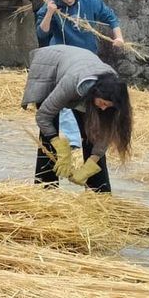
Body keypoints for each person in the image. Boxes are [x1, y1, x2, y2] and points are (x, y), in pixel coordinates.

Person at [21, 44, 133, 193]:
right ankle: (46, 189)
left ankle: (98, 191)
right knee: (48, 136)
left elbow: (104, 133)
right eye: (103, 103)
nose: (104, 108)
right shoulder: (72, 83)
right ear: (95, 93)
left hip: (80, 66)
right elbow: (43, 116)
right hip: (50, 67)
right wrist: (59, 146)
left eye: (109, 106)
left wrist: (91, 163)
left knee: (92, 134)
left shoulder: (112, 90)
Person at [36, 0, 123, 52]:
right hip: (61, 52)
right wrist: (49, 13)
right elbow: (41, 33)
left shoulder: (90, 0)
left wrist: (119, 37)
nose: (69, 0)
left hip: (87, 51)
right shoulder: (50, 5)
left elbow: (111, 18)